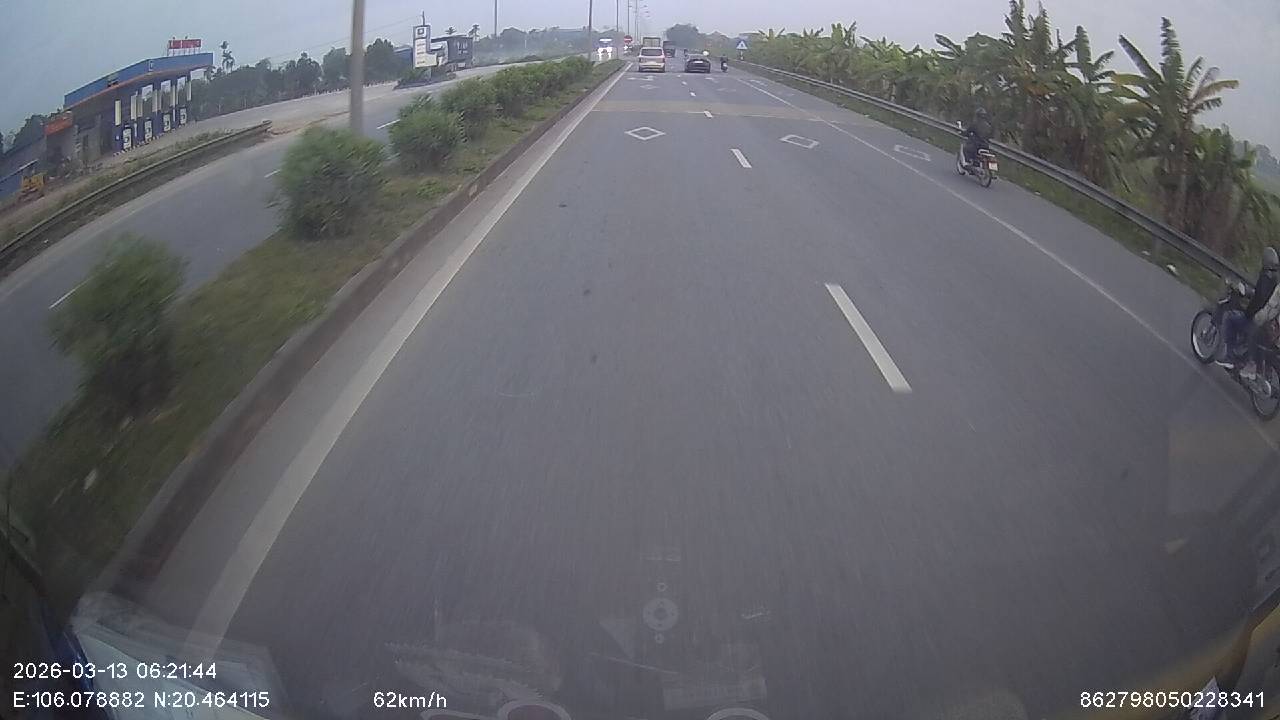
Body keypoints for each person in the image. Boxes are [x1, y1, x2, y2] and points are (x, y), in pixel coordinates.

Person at [1235, 247, 1280, 383]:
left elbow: (1270, 308)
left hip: (1276, 330)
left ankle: (1251, 366)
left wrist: (1257, 318)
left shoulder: (1273, 282)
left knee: (1253, 332)